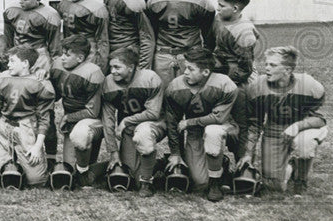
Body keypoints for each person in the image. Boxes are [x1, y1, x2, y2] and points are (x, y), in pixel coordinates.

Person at [239, 46, 327, 197]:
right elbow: (255, 124)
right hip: (274, 129)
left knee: (304, 144)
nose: (267, 68)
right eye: (266, 64)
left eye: (273, 65)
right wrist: (248, 153)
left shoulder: (310, 85)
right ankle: (292, 165)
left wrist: (297, 126)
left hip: (304, 127)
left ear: (287, 70)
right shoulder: (257, 87)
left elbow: (320, 119)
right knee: (274, 186)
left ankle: (300, 181)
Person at [163, 47, 238, 201]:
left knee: (213, 131)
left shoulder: (224, 84)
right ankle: (220, 162)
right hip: (195, 132)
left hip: (224, 128)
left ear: (205, 72)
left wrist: (190, 122)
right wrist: (176, 153)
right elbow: (172, 122)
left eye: (191, 69)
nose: (185, 72)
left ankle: (216, 179)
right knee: (200, 183)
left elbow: (218, 118)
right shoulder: (175, 87)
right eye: (185, 67)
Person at [0, 47, 55, 188]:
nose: (8, 65)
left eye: (12, 61)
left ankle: (20, 159)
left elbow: (44, 118)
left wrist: (37, 146)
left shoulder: (40, 83)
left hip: (26, 127)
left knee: (37, 181)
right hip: (4, 126)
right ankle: (10, 158)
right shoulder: (1, 79)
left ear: (25, 63)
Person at [100, 46, 165, 197]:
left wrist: (126, 121)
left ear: (130, 67)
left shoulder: (149, 77)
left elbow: (153, 113)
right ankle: (160, 164)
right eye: (111, 67)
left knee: (144, 134)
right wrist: (113, 152)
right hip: (129, 131)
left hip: (153, 125)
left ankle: (147, 182)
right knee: (131, 175)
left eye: (117, 67)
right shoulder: (109, 83)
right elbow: (108, 120)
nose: (112, 71)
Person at [146, 0, 216, 88]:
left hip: (189, 54)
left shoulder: (201, 2)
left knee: (190, 92)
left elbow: (209, 36)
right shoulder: (154, 1)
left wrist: (202, 57)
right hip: (163, 55)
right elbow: (151, 33)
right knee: (163, 93)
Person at [49, 35, 106, 186]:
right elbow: (53, 95)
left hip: (93, 121)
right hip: (73, 119)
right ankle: (86, 169)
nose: (62, 58)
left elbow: (93, 112)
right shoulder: (58, 66)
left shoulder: (92, 72)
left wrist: (68, 118)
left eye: (67, 55)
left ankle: (88, 171)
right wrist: (42, 77)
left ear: (80, 58)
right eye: (62, 53)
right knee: (69, 169)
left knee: (80, 139)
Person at [212, 0, 260, 158]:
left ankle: (243, 168)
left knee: (242, 124)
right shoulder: (220, 20)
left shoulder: (244, 30)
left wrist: (225, 83)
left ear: (235, 8)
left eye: (221, 6)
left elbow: (244, 68)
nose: (217, 8)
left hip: (239, 83)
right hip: (223, 76)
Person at [56, 0, 110, 71]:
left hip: (88, 54)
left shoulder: (96, 9)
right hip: (69, 53)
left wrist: (101, 67)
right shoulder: (64, 4)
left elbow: (102, 41)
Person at [2, 0, 61, 77]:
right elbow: (8, 36)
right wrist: (8, 55)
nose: (21, 2)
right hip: (18, 53)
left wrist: (54, 65)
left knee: (39, 82)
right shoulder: (11, 10)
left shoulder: (50, 15)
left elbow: (54, 47)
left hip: (39, 55)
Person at [104, 0, 154, 70]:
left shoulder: (135, 1)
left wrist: (143, 68)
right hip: (111, 51)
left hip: (127, 54)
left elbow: (147, 37)